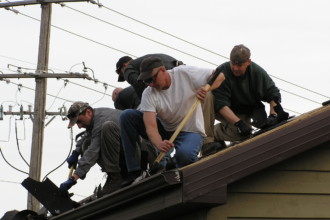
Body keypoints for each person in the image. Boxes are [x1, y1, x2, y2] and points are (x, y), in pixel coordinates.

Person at [119, 57, 225, 182]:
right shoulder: (148, 93)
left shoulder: (184, 73)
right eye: (147, 81)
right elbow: (151, 127)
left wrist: (207, 90)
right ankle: (133, 172)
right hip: (165, 129)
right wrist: (159, 143)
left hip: (190, 131)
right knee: (127, 116)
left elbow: (220, 75)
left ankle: (173, 163)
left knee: (185, 156)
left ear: (163, 70)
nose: (150, 84)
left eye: (152, 79)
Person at [201, 44, 289, 155]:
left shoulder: (257, 72)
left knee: (244, 135)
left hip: (244, 110)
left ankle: (216, 133)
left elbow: (273, 93)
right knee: (208, 94)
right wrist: (238, 124)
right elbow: (221, 104)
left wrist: (273, 114)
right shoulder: (222, 72)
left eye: (240, 65)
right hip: (222, 109)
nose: (235, 68)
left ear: (248, 62)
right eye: (233, 64)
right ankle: (207, 140)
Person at [59, 102, 126, 197]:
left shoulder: (102, 119)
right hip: (124, 153)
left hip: (135, 155)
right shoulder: (95, 118)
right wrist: (76, 153)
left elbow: (93, 151)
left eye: (79, 121)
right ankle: (116, 175)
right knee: (86, 143)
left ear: (89, 112)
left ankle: (115, 176)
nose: (79, 126)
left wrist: (74, 177)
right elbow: (86, 136)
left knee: (104, 131)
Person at [115, 54, 183, 99]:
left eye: (122, 75)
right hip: (179, 71)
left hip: (167, 76)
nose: (126, 79)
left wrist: (146, 103)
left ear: (124, 65)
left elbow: (138, 84)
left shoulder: (127, 69)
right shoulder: (146, 61)